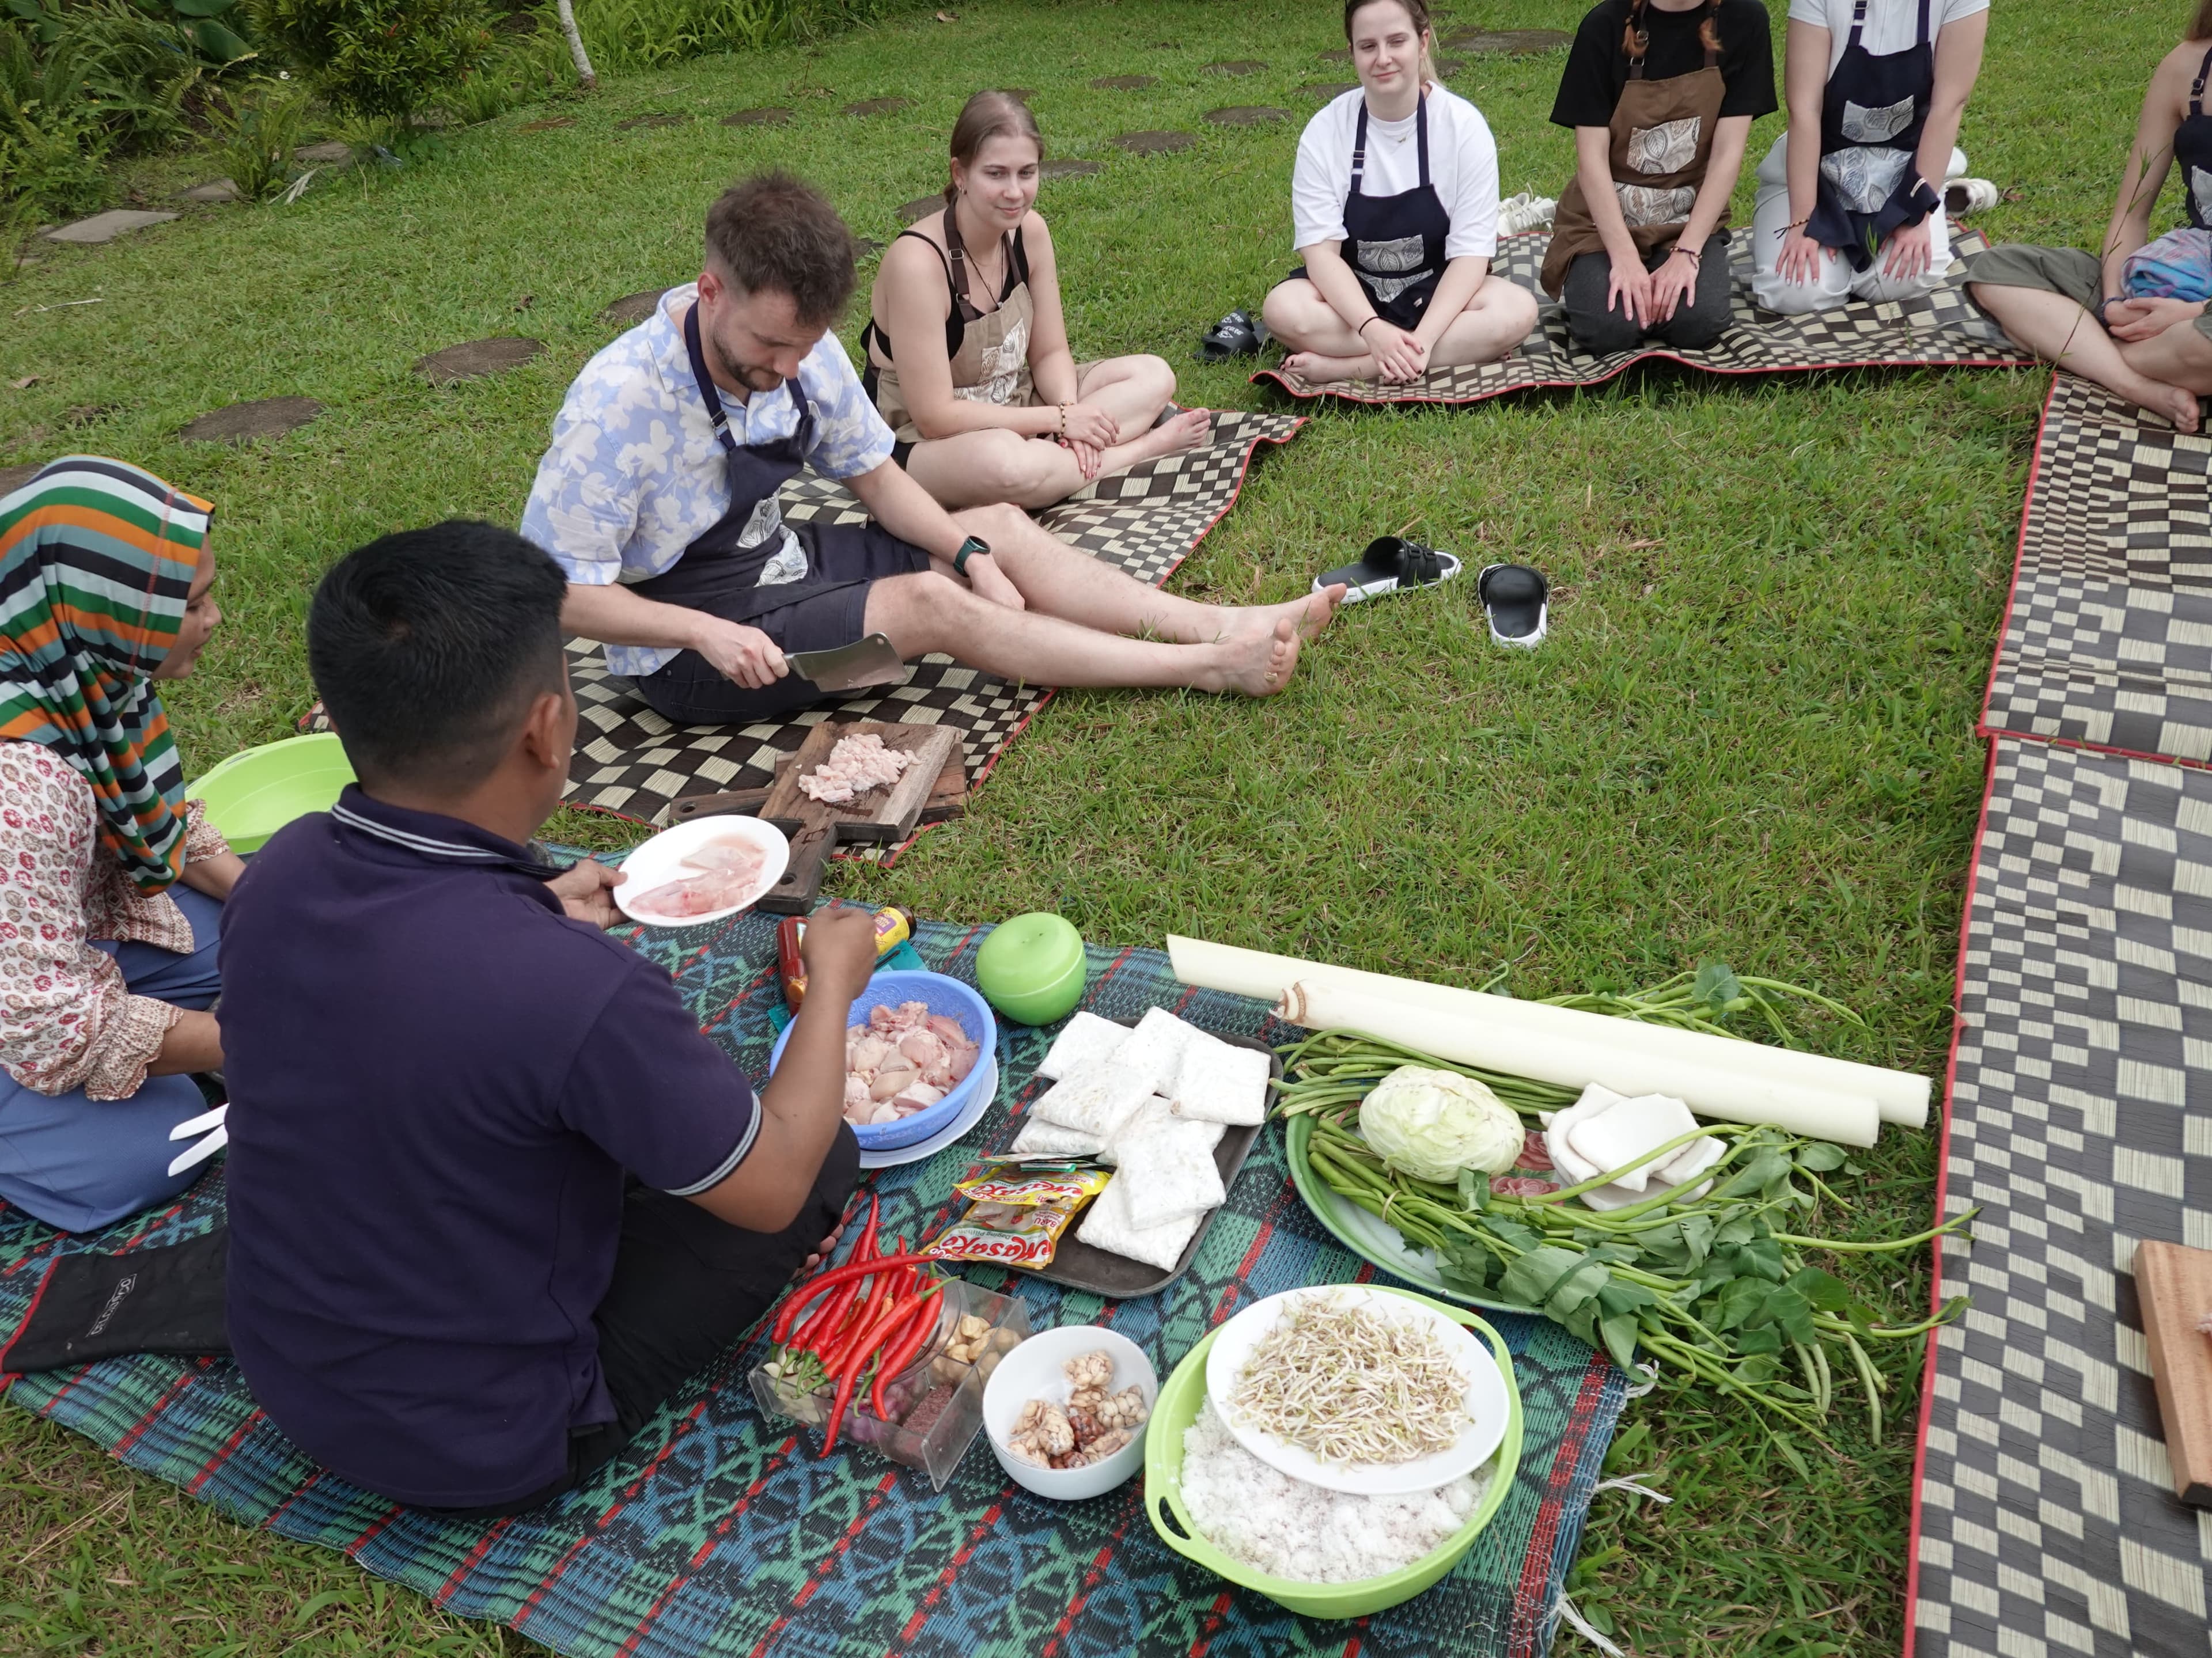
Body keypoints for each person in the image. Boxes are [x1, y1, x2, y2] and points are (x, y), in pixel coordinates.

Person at [221, 521, 882, 1513]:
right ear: (546, 726)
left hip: (290, 1374)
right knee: (820, 1149)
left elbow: (385, 1008)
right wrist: (833, 980)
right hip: (485, 1438)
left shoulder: (279, 869)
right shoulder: (574, 986)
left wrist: (534, 904)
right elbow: (773, 1185)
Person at [524, 172, 1338, 726]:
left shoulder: (803, 351)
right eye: (770, 347)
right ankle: (1204, 667)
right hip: (688, 657)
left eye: (803, 349)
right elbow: (558, 593)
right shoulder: (617, 403)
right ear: (710, 292)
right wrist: (703, 635)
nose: (786, 370)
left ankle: (1218, 621)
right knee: (931, 607)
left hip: (781, 564)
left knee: (999, 530)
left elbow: (877, 480)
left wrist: (970, 548)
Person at [0, 458, 239, 1234]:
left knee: (259, 938)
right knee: (156, 1150)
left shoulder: (78, 666)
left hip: (45, 930)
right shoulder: (24, 788)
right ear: (104, 609)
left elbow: (161, 821)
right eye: (191, 603)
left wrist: (276, 906)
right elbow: (43, 1023)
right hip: (22, 1000)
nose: (213, 619)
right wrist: (260, 1047)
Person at [862, 91, 1214, 509]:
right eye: (996, 174)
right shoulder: (917, 265)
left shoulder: (1030, 232)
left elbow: (1048, 353)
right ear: (960, 174)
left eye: (1026, 172)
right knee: (1008, 467)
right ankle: (1138, 451)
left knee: (1154, 376)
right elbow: (934, 416)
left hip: (1016, 402)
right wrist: (1060, 419)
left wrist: (1070, 414)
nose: (1015, 192)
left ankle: (1057, 460)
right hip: (921, 441)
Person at [1261, 0, 1539, 385]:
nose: (1383, 58)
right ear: (1353, 53)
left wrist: (1422, 340)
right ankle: (1434, 354)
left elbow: (1470, 256)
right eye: (1368, 46)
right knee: (1282, 309)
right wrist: (1372, 329)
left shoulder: (1464, 128)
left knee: (1517, 311)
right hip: (1354, 298)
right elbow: (1321, 256)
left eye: (1397, 42)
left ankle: (1355, 368)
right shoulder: (1325, 131)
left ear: (1422, 42)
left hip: (1437, 295)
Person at [1966, 6, 2212, 434]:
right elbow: (2131, 215)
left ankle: (2083, 346)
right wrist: (2115, 302)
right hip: (2184, 273)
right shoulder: (2187, 66)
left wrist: (2192, 312)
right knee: (1998, 271)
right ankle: (2136, 383)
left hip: (2194, 309)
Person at [1543, 0, 1777, 354]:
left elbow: (1728, 154)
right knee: (1610, 329)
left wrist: (1688, 252)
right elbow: (1590, 161)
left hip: (1687, 218)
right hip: (1602, 222)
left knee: (1697, 323)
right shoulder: (1604, 25)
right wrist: (1623, 258)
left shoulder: (1745, 20)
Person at [1748, 0, 1987, 314]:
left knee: (1899, 281)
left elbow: (1949, 105)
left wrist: (1917, 215)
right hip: (1816, 173)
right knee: (1796, 294)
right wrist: (1804, 219)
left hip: (1906, 176)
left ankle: (1939, 193)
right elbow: (1804, 110)